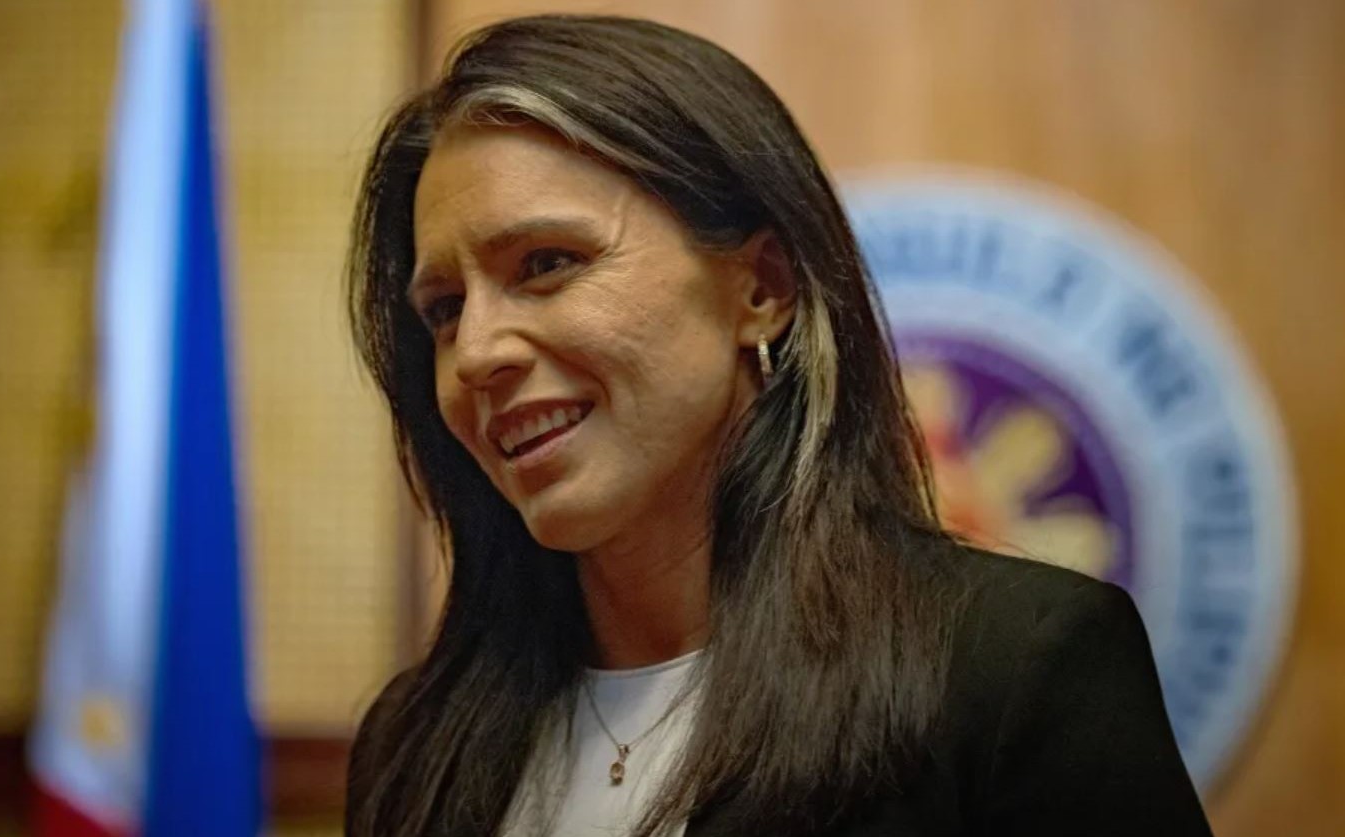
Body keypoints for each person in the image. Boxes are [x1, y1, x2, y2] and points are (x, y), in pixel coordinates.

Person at [343, 14, 1212, 837]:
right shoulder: (413, 746)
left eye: (546, 263)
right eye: (445, 309)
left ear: (763, 288)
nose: (476, 353)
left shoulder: (1013, 669)